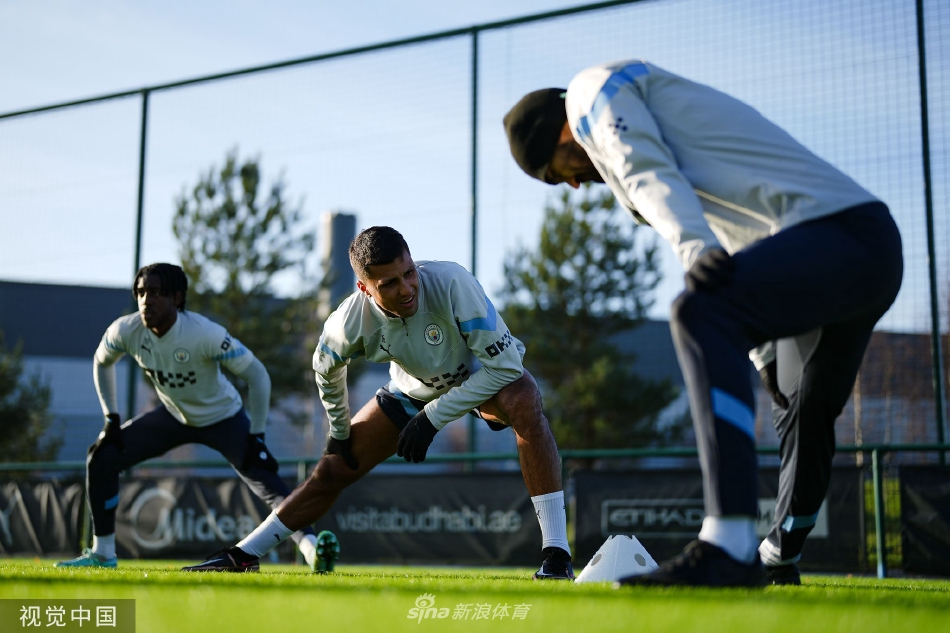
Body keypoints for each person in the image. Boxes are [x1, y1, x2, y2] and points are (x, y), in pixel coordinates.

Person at [503, 60, 902, 587]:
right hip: (863, 252)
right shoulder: (651, 136)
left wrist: (694, 250)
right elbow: (733, 229)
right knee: (801, 406)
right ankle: (779, 554)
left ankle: (727, 547)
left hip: (838, 236)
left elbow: (642, 165)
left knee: (698, 311)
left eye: (558, 173)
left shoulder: (589, 92)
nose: (575, 185)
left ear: (559, 134)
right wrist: (761, 352)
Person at [182, 226, 574, 579]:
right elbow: (326, 371)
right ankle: (242, 555)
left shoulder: (453, 281)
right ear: (364, 288)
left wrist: (433, 419)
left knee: (525, 398)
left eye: (409, 273)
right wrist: (339, 430)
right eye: (389, 283)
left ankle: (556, 555)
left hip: (479, 378)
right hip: (411, 391)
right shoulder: (347, 323)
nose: (406, 289)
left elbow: (506, 367)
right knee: (333, 469)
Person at [55, 263, 321, 570]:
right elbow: (102, 362)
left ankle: (313, 549)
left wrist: (257, 436)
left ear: (177, 298)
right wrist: (111, 419)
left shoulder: (204, 334)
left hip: (224, 418)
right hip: (174, 416)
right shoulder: (125, 330)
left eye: (156, 292)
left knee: (269, 484)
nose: (146, 300)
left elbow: (258, 375)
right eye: (141, 292)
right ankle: (103, 555)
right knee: (102, 457)